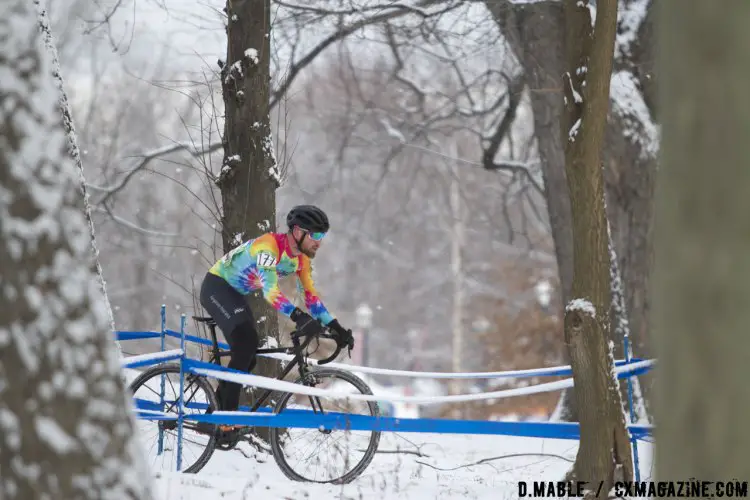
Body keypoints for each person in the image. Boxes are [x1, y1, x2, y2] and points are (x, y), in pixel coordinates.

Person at [198, 205, 354, 426]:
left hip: (235, 293)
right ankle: (226, 418)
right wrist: (298, 316)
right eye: (316, 235)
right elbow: (270, 291)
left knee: (248, 356)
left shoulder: (302, 260)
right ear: (298, 232)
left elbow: (311, 298)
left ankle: (210, 418)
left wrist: (336, 327)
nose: (319, 241)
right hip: (216, 287)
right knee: (246, 342)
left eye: (323, 235)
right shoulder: (268, 246)